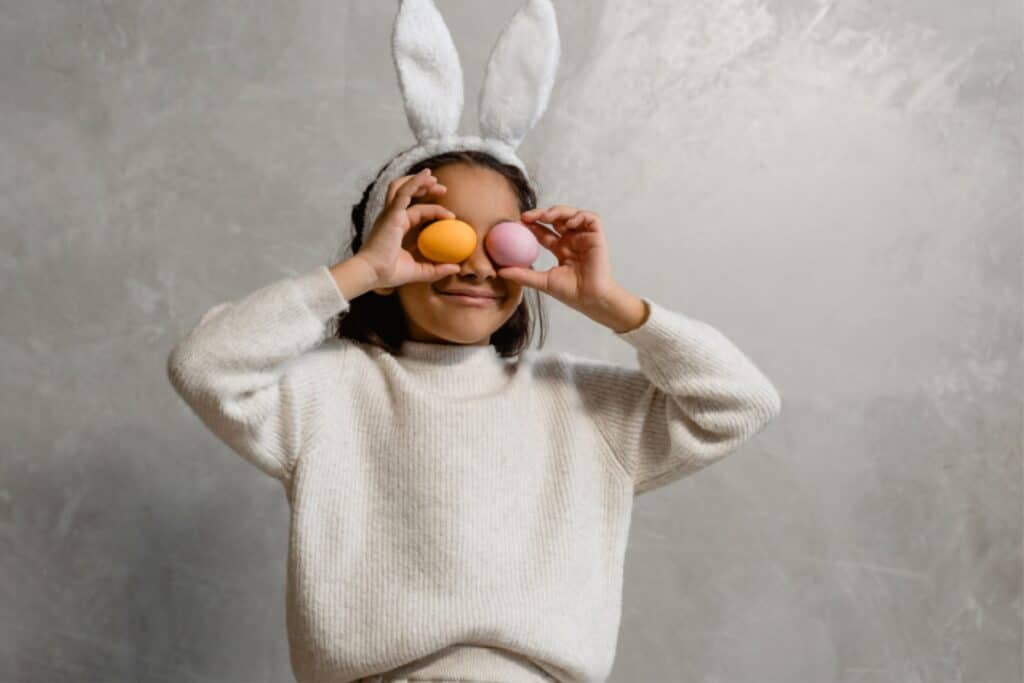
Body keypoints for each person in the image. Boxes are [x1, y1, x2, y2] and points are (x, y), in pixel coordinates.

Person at [165, 2, 782, 682]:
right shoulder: (330, 392)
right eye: (442, 234)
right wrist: (355, 273)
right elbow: (205, 366)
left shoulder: (578, 404)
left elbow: (739, 401)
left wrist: (615, 306)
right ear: (390, 243)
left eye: (502, 240)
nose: (477, 266)